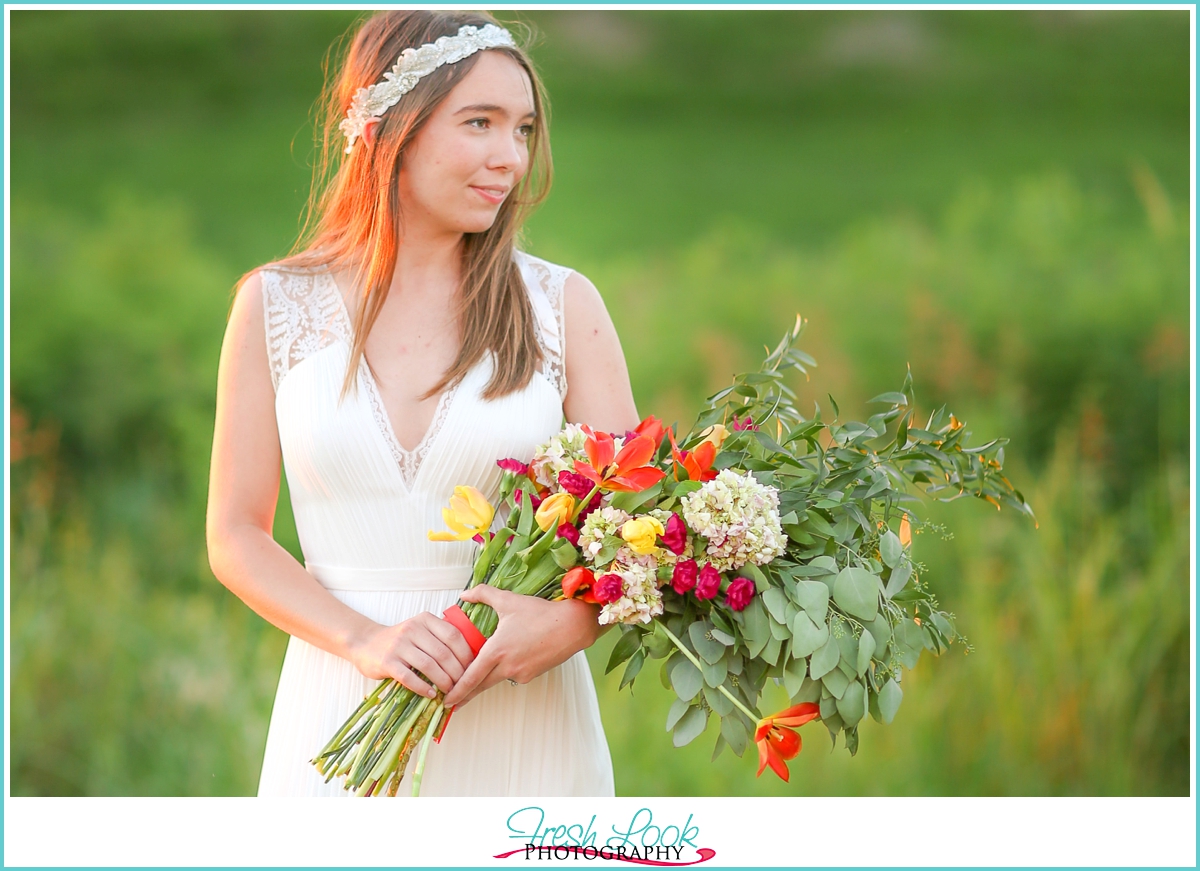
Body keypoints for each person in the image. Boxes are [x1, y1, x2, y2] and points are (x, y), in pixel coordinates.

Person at [206, 10, 637, 796]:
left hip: (522, 722)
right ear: (389, 128)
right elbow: (236, 535)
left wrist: (566, 624)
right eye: (480, 123)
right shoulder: (274, 304)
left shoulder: (564, 306)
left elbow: (638, 536)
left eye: (524, 129)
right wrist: (364, 639)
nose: (509, 158)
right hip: (339, 703)